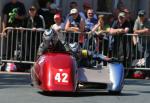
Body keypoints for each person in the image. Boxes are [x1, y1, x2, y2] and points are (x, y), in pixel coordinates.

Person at [133, 10, 150, 79]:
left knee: (147, 57)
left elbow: (148, 32)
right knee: (139, 57)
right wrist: (144, 31)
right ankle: (139, 73)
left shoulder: (148, 21)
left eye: (142, 15)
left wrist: (140, 32)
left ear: (145, 16)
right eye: (140, 15)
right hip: (140, 42)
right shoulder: (137, 21)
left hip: (148, 42)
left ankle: (147, 74)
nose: (141, 17)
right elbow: (135, 31)